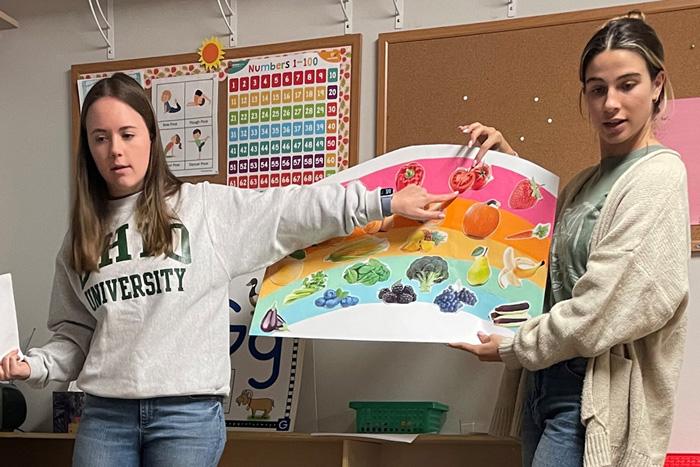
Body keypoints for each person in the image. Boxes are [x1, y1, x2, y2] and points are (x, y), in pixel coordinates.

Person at [0, 72, 456, 467]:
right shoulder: (81, 236)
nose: (115, 150)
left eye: (127, 134)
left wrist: (382, 201)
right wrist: (34, 365)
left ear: (152, 138)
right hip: (104, 416)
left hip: (186, 417)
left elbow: (293, 209)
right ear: (88, 148)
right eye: (100, 138)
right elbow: (76, 335)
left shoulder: (204, 209)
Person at [450, 12, 689, 467]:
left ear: (657, 85)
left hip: (592, 395)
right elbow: (543, 261)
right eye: (597, 89)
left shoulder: (658, 177)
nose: (611, 103)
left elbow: (600, 309)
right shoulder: (582, 184)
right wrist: (509, 168)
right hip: (543, 383)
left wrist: (513, 347)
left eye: (627, 85)